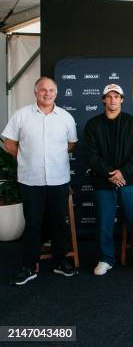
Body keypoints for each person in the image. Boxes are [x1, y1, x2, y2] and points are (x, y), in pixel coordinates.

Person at [2, 77, 78, 285]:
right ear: (35, 92)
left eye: (51, 90)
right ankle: (29, 266)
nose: (47, 93)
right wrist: (26, 158)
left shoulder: (65, 117)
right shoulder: (21, 115)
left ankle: (60, 262)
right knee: (33, 224)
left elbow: (71, 145)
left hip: (58, 179)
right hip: (30, 180)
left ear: (56, 92)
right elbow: (9, 143)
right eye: (43, 90)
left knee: (58, 222)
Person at [83, 84, 133, 275]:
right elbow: (91, 155)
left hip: (128, 180)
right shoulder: (93, 124)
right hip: (102, 181)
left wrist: (122, 173)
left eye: (117, 96)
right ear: (103, 99)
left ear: (122, 99)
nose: (113, 100)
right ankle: (105, 259)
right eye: (109, 96)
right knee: (104, 222)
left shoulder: (132, 123)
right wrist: (111, 174)